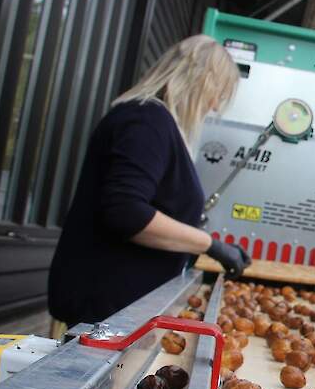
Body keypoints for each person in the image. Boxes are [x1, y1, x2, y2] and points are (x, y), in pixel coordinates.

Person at [48, 35, 250, 328]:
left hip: (119, 308)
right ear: (200, 81)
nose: (215, 107)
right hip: (104, 310)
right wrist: (209, 244)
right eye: (218, 93)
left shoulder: (153, 121)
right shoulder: (146, 120)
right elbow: (126, 213)